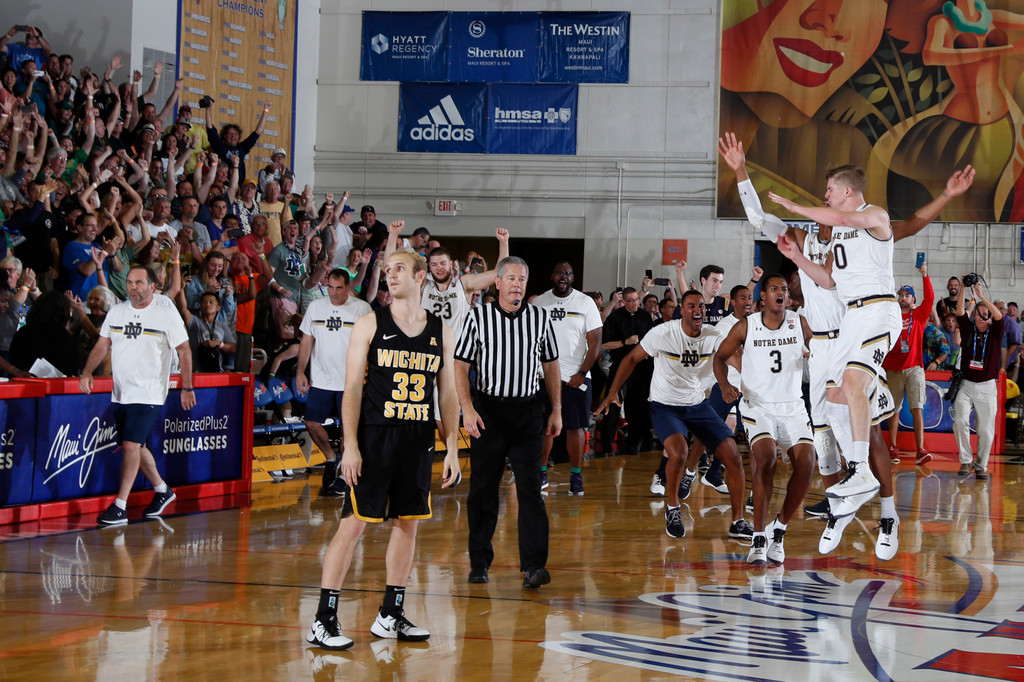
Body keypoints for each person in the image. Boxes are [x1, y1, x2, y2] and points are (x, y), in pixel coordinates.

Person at [305, 249, 459, 651]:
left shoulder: (440, 329)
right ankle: (323, 620)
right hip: (375, 438)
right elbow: (352, 387)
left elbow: (448, 393)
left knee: (408, 523)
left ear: (421, 276)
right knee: (353, 525)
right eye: (387, 270)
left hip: (418, 439)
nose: (390, 276)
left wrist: (455, 451)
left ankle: (391, 614)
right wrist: (350, 446)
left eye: (399, 269)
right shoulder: (369, 323)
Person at [595, 288, 752, 540]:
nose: (697, 310)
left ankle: (738, 521)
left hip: (697, 404)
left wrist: (750, 385)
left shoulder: (714, 335)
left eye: (701, 306)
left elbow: (734, 359)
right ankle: (673, 508)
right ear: (682, 310)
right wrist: (613, 391)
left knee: (732, 455)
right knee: (679, 452)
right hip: (665, 405)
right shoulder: (663, 333)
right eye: (691, 306)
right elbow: (631, 359)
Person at [456, 256, 561, 588]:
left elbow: (552, 366)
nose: (517, 284)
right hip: (489, 411)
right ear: (497, 283)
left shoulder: (540, 318)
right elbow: (460, 365)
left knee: (530, 490)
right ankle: (479, 562)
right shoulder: (478, 317)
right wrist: (467, 408)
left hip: (528, 412)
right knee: (482, 490)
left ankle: (533, 566)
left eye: (522, 279)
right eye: (511, 278)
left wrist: (556, 409)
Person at [80, 266, 194, 526]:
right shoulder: (117, 311)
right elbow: (102, 344)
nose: (133, 287)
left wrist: (187, 387)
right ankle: (162, 490)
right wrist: (87, 372)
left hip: (150, 391)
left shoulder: (166, 313)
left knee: (131, 445)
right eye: (130, 282)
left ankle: (120, 506)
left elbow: (185, 350)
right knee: (136, 445)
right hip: (121, 392)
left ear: (152, 286)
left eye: (139, 283)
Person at [714, 275, 814, 564]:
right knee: (767, 459)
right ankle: (758, 537)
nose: (780, 292)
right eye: (774, 289)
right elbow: (719, 358)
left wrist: (816, 354)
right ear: (765, 296)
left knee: (807, 464)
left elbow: (822, 346)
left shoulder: (799, 323)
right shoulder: (747, 325)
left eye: (783, 289)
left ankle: (779, 529)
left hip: (793, 405)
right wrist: (723, 385)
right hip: (758, 406)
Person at [296, 268, 372, 497]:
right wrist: (301, 371)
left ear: (348, 287)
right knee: (311, 423)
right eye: (331, 287)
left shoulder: (361, 309)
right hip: (321, 379)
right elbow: (307, 341)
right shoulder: (316, 307)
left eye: (339, 288)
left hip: (351, 382)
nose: (335, 293)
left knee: (349, 431)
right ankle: (331, 458)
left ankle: (343, 478)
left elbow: (372, 343)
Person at [533, 262, 603, 495]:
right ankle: (542, 472)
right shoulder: (539, 302)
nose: (563, 277)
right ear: (552, 276)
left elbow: (595, 343)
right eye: (559, 273)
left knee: (575, 428)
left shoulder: (585, 303)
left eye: (568, 273)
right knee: (545, 428)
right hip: (544, 377)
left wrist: (582, 373)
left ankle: (576, 476)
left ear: (573, 278)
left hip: (576, 377)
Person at [882, 263, 935, 465]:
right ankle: (893, 447)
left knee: (917, 407)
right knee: (893, 409)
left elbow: (930, 298)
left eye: (907, 295)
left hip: (914, 367)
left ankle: (921, 449)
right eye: (901, 294)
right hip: (893, 369)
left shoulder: (920, 315)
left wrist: (925, 275)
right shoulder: (890, 314)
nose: (903, 297)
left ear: (913, 300)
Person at [417, 228, 509, 340]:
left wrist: (504, 243)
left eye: (443, 263)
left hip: (455, 352)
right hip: (429, 351)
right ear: (429, 267)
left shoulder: (464, 283)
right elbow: (390, 268)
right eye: (434, 264)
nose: (439, 268)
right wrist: (393, 235)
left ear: (451, 264)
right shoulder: (422, 285)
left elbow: (498, 273)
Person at [953, 280, 1004, 479]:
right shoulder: (968, 329)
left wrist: (982, 296)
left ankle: (981, 465)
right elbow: (959, 313)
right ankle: (966, 461)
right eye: (977, 313)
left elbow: (999, 317)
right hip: (966, 384)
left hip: (987, 387)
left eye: (983, 314)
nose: (979, 317)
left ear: (988, 317)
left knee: (986, 430)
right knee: (960, 422)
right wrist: (965, 289)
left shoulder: (996, 333)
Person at [601, 286, 654, 453]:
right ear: (623, 301)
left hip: (641, 366)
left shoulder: (645, 317)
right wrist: (624, 342)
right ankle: (607, 443)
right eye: (631, 301)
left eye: (637, 300)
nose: (635, 303)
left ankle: (635, 442)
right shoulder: (615, 317)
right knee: (613, 402)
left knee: (638, 404)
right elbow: (604, 344)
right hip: (620, 364)